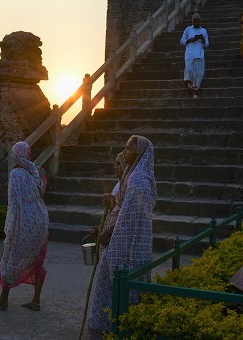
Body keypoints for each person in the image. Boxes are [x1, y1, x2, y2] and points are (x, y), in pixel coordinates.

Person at [88, 135, 156, 338]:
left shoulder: (138, 181)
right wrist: (113, 202)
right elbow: (122, 205)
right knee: (108, 285)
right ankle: (106, 327)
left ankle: (116, 328)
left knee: (119, 285)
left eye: (128, 149)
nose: (125, 152)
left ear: (139, 153)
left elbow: (127, 219)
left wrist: (105, 235)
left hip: (127, 244)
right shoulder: (131, 176)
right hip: (122, 240)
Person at [0, 141, 48, 312]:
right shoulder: (34, 172)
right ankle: (36, 301)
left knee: (10, 258)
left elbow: (14, 204)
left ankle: (3, 300)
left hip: (22, 223)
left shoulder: (16, 174)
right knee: (35, 259)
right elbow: (41, 191)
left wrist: (10, 227)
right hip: (40, 222)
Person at [179, 13, 209, 98]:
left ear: (200, 21)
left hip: (199, 53)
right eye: (194, 22)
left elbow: (207, 44)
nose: (196, 23)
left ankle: (195, 90)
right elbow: (181, 41)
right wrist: (190, 40)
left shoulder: (203, 31)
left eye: (197, 22)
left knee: (199, 73)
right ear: (192, 21)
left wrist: (202, 39)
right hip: (189, 53)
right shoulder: (188, 29)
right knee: (189, 69)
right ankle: (189, 83)